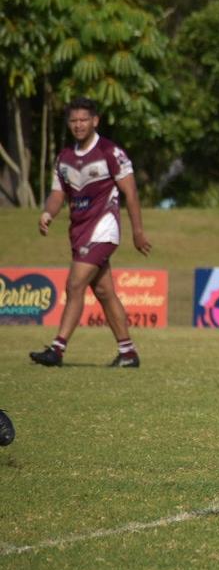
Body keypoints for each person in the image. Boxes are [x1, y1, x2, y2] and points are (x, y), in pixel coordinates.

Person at [30, 97, 152, 368]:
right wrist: (48, 213)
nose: (78, 125)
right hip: (79, 231)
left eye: (84, 119)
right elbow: (57, 194)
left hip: (104, 229)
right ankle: (128, 352)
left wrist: (138, 232)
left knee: (74, 284)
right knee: (104, 291)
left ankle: (57, 349)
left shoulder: (110, 152)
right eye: (73, 120)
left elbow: (130, 193)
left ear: (95, 121)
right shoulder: (64, 158)